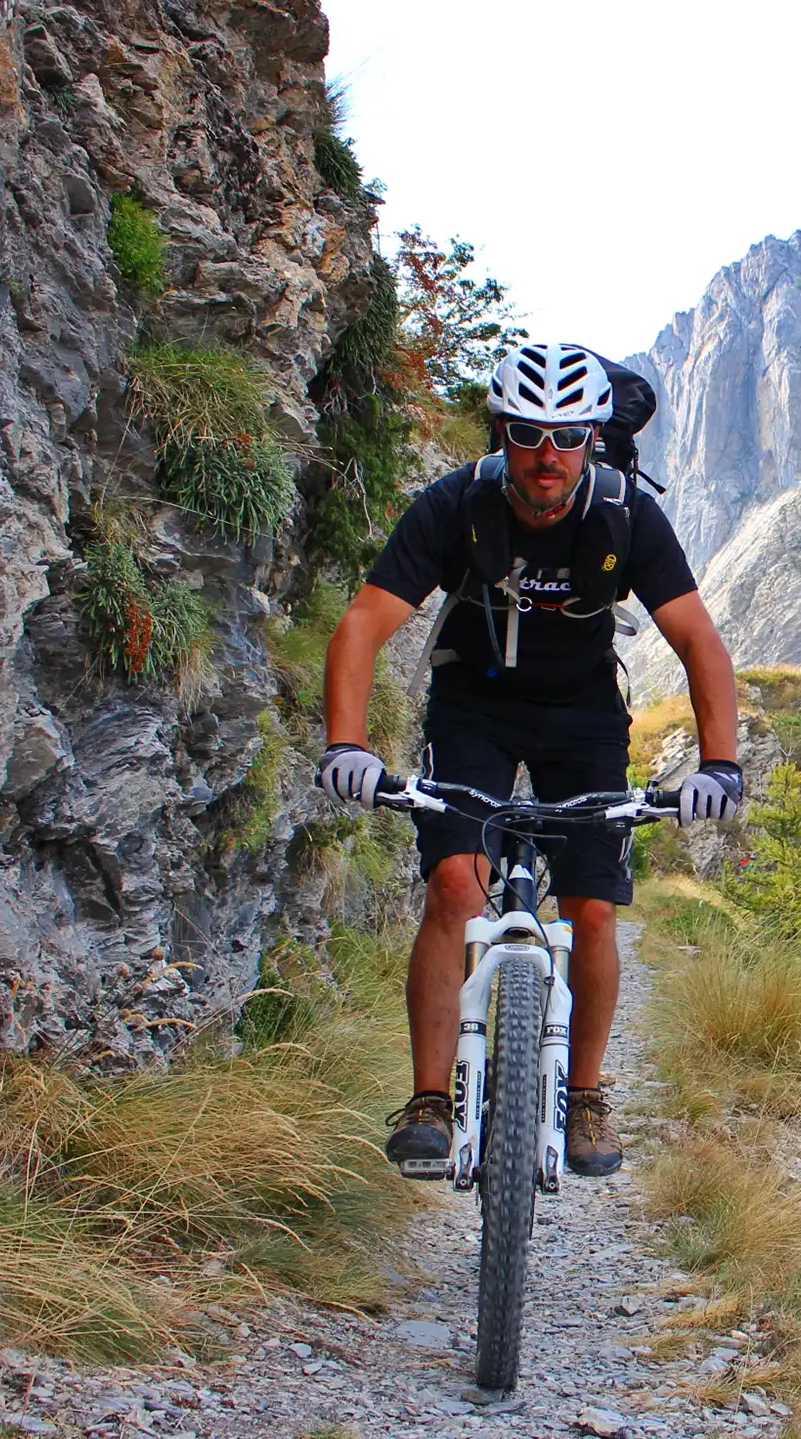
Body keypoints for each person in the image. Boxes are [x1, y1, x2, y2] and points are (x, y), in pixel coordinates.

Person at [312, 343, 740, 1178]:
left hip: (583, 716)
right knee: (453, 887)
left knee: (593, 910)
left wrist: (720, 763)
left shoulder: (625, 514)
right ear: (500, 433)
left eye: (568, 437)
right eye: (527, 434)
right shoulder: (455, 505)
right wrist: (346, 744)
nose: (549, 456)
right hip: (473, 705)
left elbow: (698, 640)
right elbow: (362, 624)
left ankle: (583, 1097)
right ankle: (429, 1100)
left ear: (593, 439)